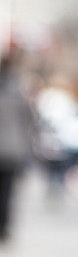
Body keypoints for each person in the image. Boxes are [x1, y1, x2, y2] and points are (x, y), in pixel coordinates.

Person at [0, 49, 32, 239]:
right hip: (12, 150)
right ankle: (4, 226)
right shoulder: (17, 94)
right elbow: (27, 122)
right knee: (7, 191)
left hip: (10, 149)